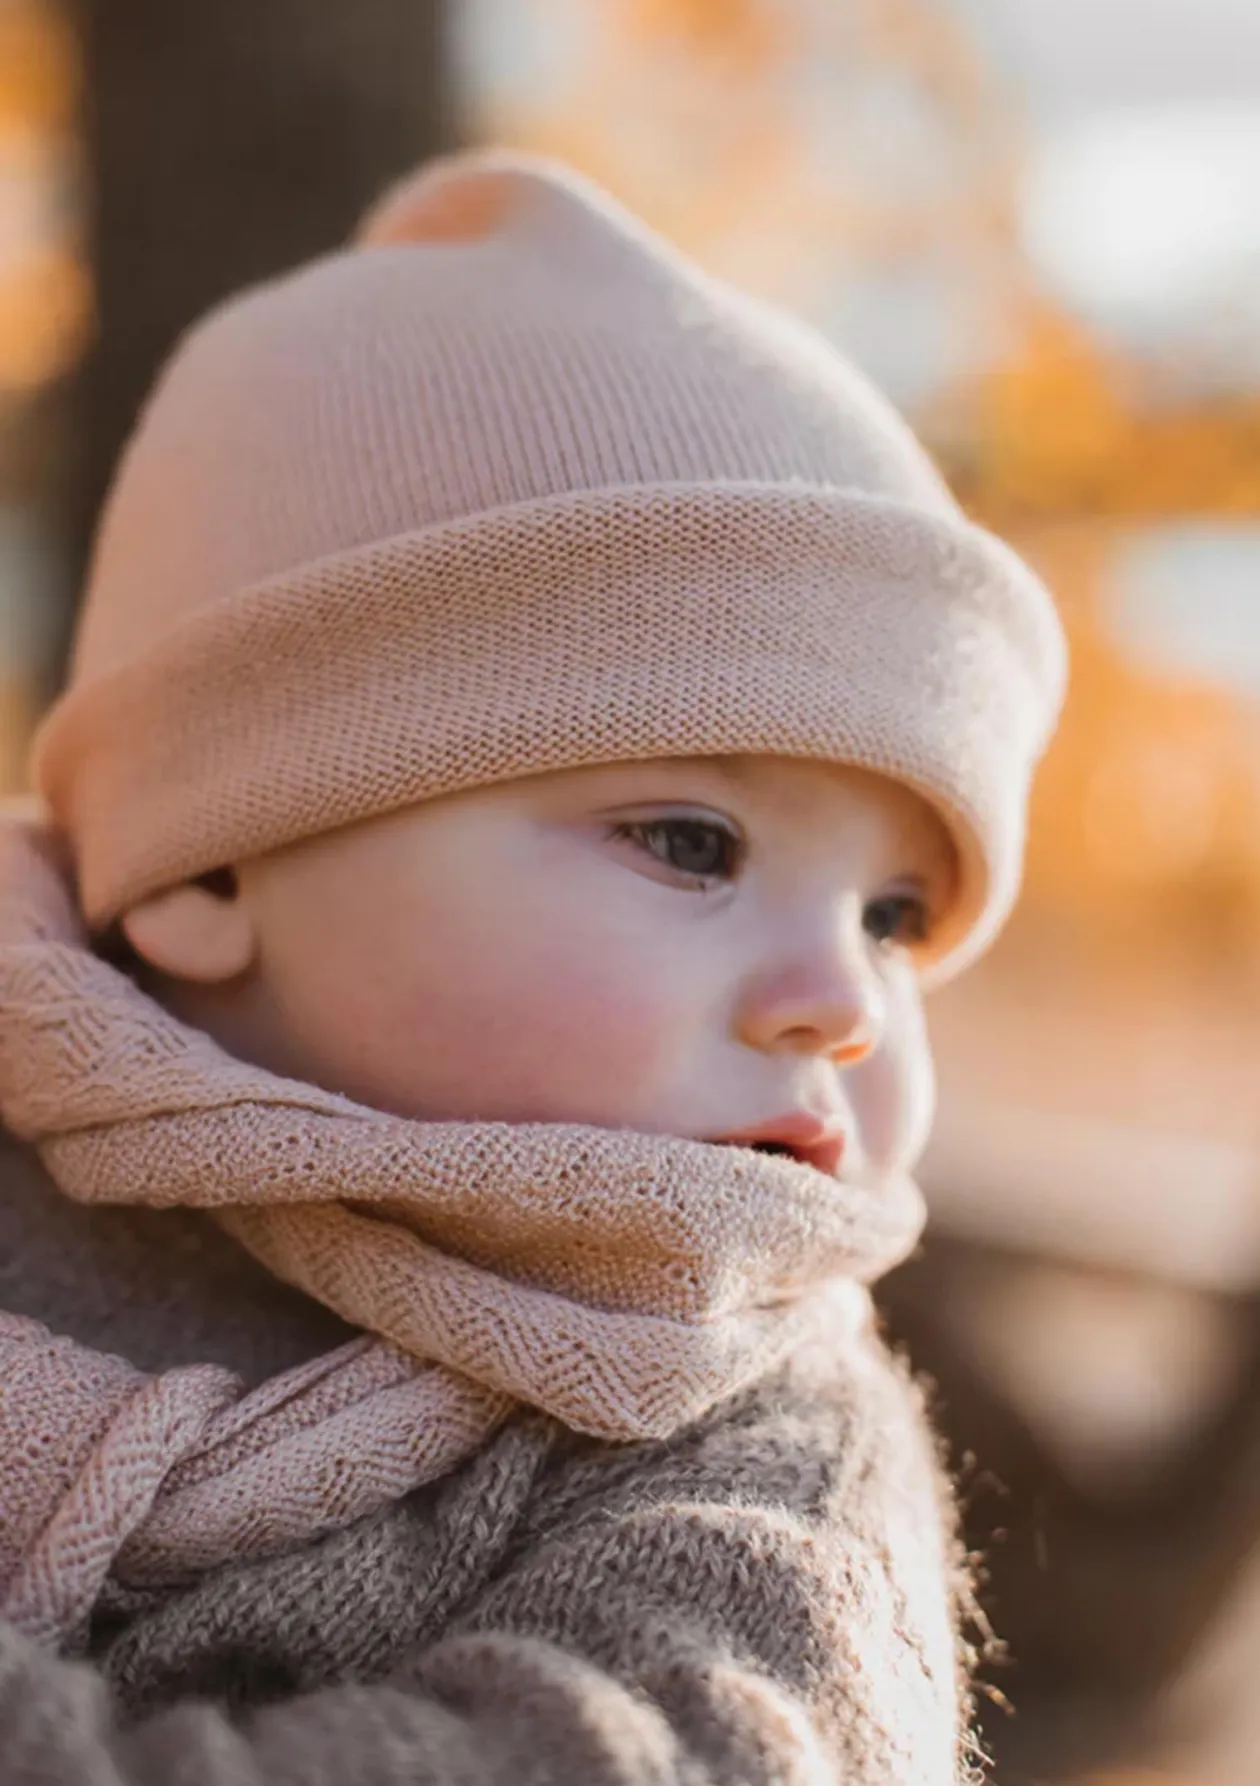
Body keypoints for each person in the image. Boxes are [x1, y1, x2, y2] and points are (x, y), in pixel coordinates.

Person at [0, 151, 1064, 1784]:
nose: (847, 1003)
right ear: (211, 863)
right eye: (693, 844)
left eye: (895, 917)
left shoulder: (751, 1441)